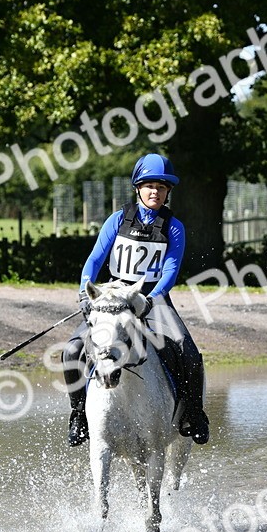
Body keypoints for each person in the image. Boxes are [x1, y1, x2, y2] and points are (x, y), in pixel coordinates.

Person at [61, 153, 210, 447]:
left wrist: (151, 299)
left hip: (153, 297)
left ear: (168, 192)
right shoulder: (117, 220)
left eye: (162, 187)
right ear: (138, 188)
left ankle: (193, 413)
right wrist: (84, 293)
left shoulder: (174, 227)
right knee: (71, 350)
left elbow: (170, 271)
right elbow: (94, 261)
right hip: (114, 295)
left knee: (188, 351)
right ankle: (78, 415)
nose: (156, 192)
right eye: (150, 185)